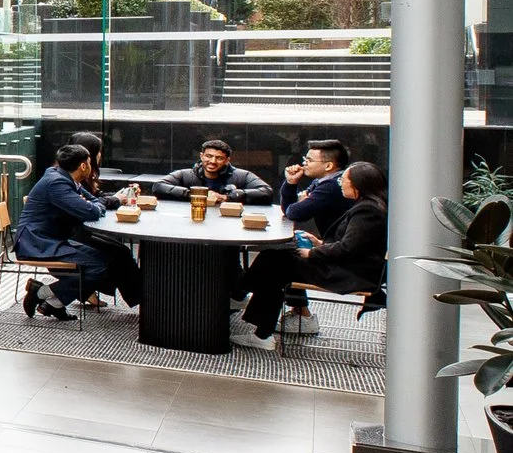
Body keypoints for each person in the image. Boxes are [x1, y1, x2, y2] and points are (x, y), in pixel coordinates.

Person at [242, 160, 385, 341]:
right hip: (348, 266)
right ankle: (243, 297)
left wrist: (312, 252)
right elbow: (357, 244)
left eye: (343, 180)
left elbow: (349, 248)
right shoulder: (369, 206)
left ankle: (253, 319)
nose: (340, 183)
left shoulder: (367, 210)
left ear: (358, 184)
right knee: (276, 257)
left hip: (351, 273)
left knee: (275, 263)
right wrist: (319, 243)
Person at [16, 144, 140, 320]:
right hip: (38, 242)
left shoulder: (65, 178)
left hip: (52, 238)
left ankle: (54, 302)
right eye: (89, 162)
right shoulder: (57, 183)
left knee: (110, 258)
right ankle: (43, 293)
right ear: (83, 165)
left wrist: (92, 205)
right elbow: (92, 211)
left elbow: (93, 202)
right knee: (99, 266)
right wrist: (93, 205)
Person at [156, 139, 273, 204]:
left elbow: (266, 192)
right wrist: (193, 195)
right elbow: (159, 186)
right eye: (209, 156)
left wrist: (228, 197)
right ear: (201, 156)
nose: (212, 161)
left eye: (219, 158)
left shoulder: (242, 176)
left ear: (227, 160)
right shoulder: (185, 174)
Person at [279, 138, 349, 236]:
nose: (304, 163)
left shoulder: (331, 186)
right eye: (305, 159)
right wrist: (291, 182)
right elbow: (288, 210)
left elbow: (295, 213)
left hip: (339, 243)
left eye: (309, 160)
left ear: (328, 166)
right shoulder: (320, 181)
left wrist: (301, 203)